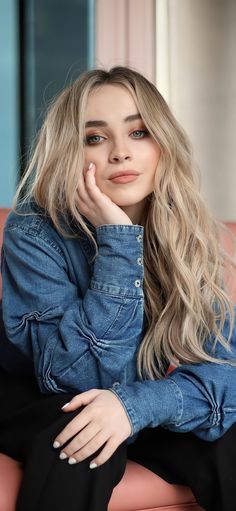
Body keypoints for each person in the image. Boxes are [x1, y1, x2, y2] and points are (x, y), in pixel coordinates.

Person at [0, 66, 236, 511]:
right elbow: (78, 377)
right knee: (80, 439)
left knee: (229, 437)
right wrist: (119, 242)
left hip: (127, 400)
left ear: (162, 143)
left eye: (139, 132)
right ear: (70, 152)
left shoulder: (189, 230)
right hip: (33, 393)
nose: (120, 154)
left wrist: (136, 406)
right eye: (95, 138)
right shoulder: (34, 229)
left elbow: (226, 370)